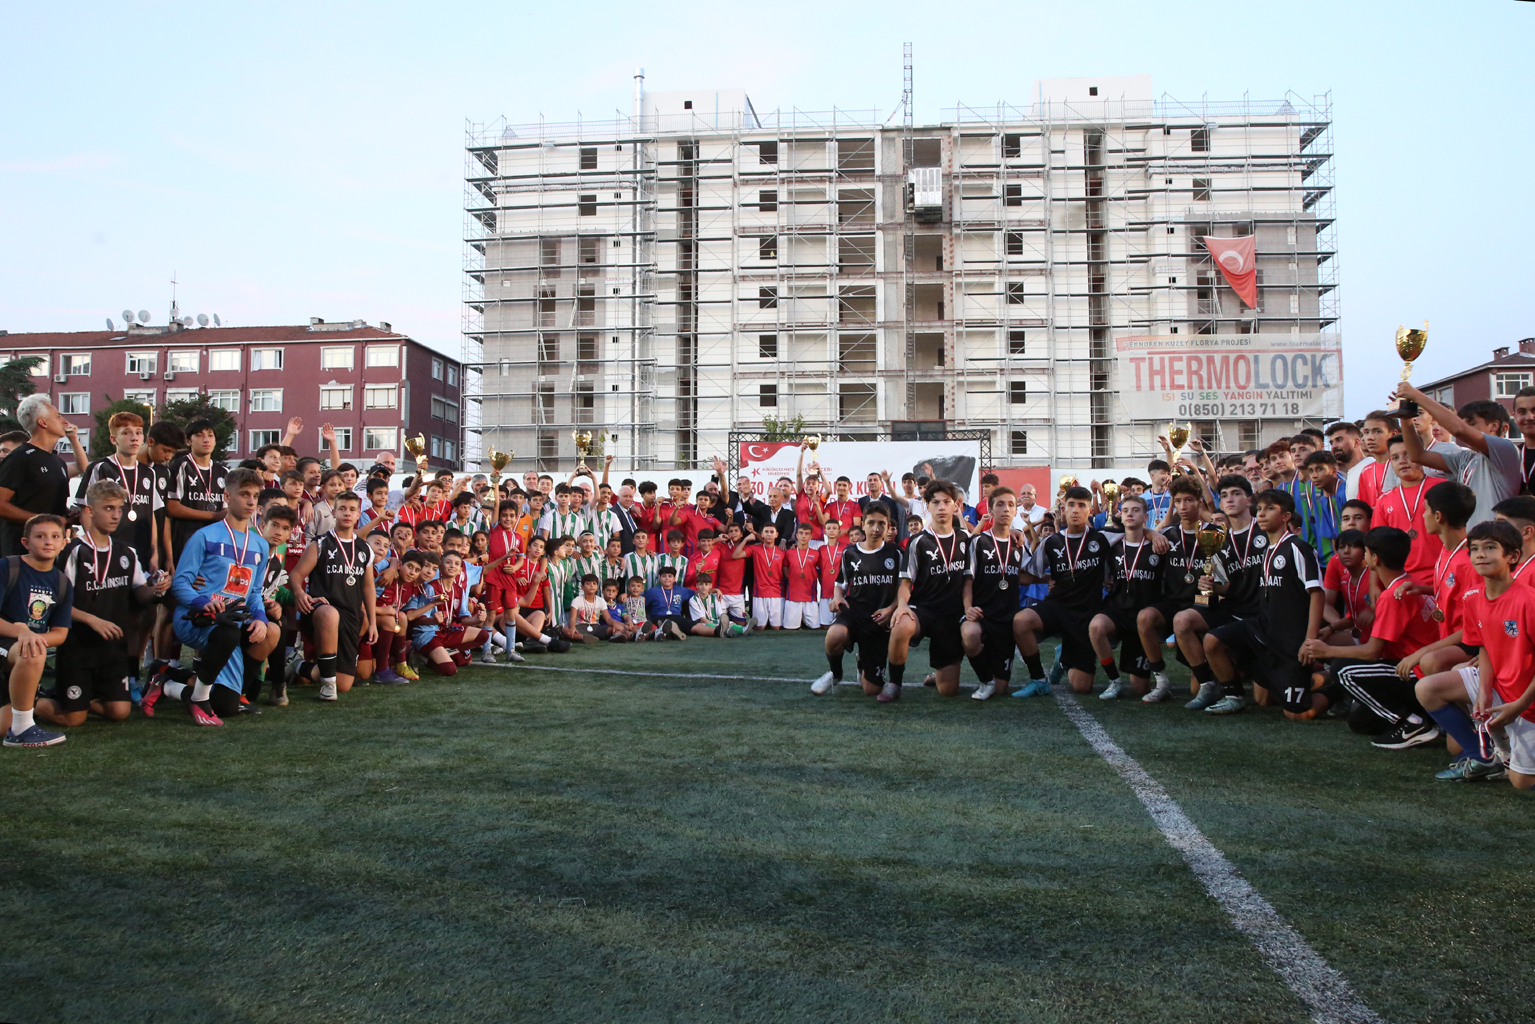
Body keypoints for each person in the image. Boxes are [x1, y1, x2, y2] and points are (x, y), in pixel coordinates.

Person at [144, 469, 280, 727]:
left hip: (232, 623)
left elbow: (254, 592)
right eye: (244, 495)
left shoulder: (260, 545)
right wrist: (203, 603)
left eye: (255, 496)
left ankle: (166, 681)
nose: (252, 501)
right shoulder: (205, 536)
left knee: (226, 704)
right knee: (226, 632)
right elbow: (181, 583)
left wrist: (260, 617)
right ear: (227, 497)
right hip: (197, 620)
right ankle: (193, 690)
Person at [36, 481, 168, 728]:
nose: (116, 515)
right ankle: (31, 700)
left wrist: (157, 589)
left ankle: (76, 698)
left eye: (119, 508)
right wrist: (92, 619)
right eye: (108, 508)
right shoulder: (74, 551)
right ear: (90, 511)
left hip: (112, 649)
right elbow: (57, 604)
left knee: (120, 712)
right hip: (78, 647)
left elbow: (141, 594)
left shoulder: (126, 552)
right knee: (73, 719)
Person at [1416, 520, 1535, 787]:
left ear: (1512, 556)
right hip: (1499, 686)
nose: (1480, 554)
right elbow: (1485, 647)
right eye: (1474, 548)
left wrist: (1518, 707)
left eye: (1490, 547)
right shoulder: (1472, 597)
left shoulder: (1529, 601)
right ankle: (1483, 756)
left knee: (1521, 783)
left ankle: (1511, 752)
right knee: (1427, 688)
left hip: (1527, 700)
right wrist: (1483, 690)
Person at [1302, 526, 1438, 742]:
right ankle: (1423, 715)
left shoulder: (1392, 595)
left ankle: (1412, 723)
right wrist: (1333, 629)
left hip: (1412, 671)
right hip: (1417, 667)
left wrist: (1327, 650)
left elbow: (1373, 652)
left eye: (1363, 551)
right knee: (1361, 723)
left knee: (1343, 668)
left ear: (1374, 558)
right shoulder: (1413, 582)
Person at [1201, 488, 1323, 717]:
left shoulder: (1297, 547)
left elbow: (1317, 593)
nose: (1262, 514)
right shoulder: (1268, 550)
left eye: (1270, 509)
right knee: (1213, 641)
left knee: (1297, 714)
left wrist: (1310, 640)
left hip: (1291, 639)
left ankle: (1331, 684)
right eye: (1260, 509)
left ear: (1286, 516)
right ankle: (1233, 697)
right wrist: (1212, 586)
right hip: (1264, 629)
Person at [1013, 485, 1115, 698]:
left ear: (1090, 511)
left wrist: (1152, 533)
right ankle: (1039, 679)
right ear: (1063, 509)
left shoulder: (1103, 537)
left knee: (1082, 687)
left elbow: (1136, 532)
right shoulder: (1052, 541)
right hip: (1058, 606)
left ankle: (1062, 658)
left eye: (1081, 506)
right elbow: (1032, 571)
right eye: (1071, 505)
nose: (1076, 510)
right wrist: (1015, 542)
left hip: (1086, 614)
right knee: (1021, 620)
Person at [1171, 475, 1263, 707]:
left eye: (1236, 494)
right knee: (1182, 620)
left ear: (1249, 499)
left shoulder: (1265, 531)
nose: (1229, 499)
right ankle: (1209, 686)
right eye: (1223, 496)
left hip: (1264, 614)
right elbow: (1225, 586)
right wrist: (1210, 586)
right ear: (1218, 504)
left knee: (1265, 700)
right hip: (1232, 609)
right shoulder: (1218, 540)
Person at [885, 480, 971, 702]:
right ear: (927, 507)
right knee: (901, 623)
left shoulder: (966, 539)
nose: (941, 507)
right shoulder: (917, 542)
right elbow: (905, 582)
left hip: (952, 616)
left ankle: (939, 676)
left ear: (956, 505)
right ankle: (894, 683)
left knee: (949, 691)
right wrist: (902, 606)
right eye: (935, 502)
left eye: (946, 502)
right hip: (924, 610)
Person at [288, 491, 378, 700]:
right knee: (330, 614)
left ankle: (299, 666)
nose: (347, 513)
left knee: (345, 684)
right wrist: (300, 592)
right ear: (334, 513)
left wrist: (372, 622)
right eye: (342, 509)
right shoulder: (320, 544)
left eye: (352, 510)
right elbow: (295, 576)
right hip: (321, 610)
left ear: (358, 515)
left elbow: (368, 588)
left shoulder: (365, 549)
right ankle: (327, 686)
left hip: (350, 614)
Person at [1396, 386, 1523, 527]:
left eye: (1471, 423)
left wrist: (1416, 396)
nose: (1466, 427)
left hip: (1497, 539)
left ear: (1494, 426)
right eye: (1464, 423)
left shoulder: (1505, 449)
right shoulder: (1466, 457)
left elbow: (1459, 430)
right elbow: (1418, 455)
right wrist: (1406, 418)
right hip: (1472, 538)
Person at [812, 503, 900, 695]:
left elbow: (903, 589)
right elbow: (840, 584)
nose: (876, 529)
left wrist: (891, 609)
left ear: (888, 526)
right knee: (834, 635)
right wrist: (837, 598)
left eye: (881, 524)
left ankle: (863, 663)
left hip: (879, 619)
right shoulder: (850, 552)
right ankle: (835, 674)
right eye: (871, 523)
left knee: (872, 690)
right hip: (855, 610)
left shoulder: (896, 553)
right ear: (864, 525)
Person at [0, 514, 72, 747]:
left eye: (55, 537)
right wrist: (20, 632)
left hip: (21, 651)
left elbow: (60, 634)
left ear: (64, 542)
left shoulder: (62, 582)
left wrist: (32, 637)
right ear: (25, 543)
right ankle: (22, 730)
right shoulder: (8, 566)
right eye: (40, 536)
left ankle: (21, 716)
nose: (48, 542)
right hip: (6, 643)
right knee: (32, 650)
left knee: (3, 725)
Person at [1135, 476, 1206, 699]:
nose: (1183, 507)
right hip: (1174, 602)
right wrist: (1153, 532)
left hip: (1203, 603)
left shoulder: (1213, 534)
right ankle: (1162, 682)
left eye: (1189, 500)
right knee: (1145, 617)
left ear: (1199, 502)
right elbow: (1138, 532)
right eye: (1178, 501)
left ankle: (1207, 680)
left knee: (1197, 689)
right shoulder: (1168, 534)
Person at [1089, 494, 1157, 701]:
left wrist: (1154, 533)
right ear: (1120, 514)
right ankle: (1114, 680)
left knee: (1140, 689)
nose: (1130, 514)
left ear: (1145, 516)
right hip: (1116, 609)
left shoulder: (1158, 545)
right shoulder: (1111, 541)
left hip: (1143, 613)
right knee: (1096, 627)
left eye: (1136, 510)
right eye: (1126, 510)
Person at [962, 487, 1025, 701]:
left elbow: (1021, 575)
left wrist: (1047, 580)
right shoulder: (978, 542)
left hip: (1007, 618)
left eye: (1010, 505)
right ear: (990, 510)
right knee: (970, 634)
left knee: (1001, 690)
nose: (1005, 509)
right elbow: (968, 580)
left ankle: (992, 679)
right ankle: (984, 680)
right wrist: (968, 608)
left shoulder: (1019, 544)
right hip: (982, 614)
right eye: (1000, 504)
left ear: (1016, 511)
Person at [0, 396, 74, 558]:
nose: (64, 420)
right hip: (19, 553)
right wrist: (45, 521)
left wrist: (69, 516)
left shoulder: (58, 462)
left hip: (51, 552)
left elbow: (44, 503)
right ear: (43, 423)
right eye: (58, 416)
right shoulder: (19, 458)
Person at [1374, 434, 1445, 584]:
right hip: (1402, 580)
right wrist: (1374, 584)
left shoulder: (1443, 488)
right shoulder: (1384, 501)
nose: (1402, 461)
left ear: (1420, 454)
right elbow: (1377, 546)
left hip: (1443, 574)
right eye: (1395, 458)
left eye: (1407, 455)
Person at [165, 418, 227, 569]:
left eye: (210, 435)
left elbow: (226, 509)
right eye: (199, 435)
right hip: (185, 540)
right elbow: (172, 507)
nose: (206, 440)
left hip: (214, 543)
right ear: (188, 441)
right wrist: (212, 515)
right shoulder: (180, 466)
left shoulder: (223, 472)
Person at [739, 523, 785, 629]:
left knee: (776, 627)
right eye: (767, 532)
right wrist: (745, 540)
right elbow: (736, 555)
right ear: (762, 534)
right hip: (759, 593)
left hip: (777, 593)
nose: (769, 534)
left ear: (776, 535)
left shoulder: (782, 551)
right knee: (760, 627)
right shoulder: (755, 549)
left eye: (772, 532)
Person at [783, 523, 821, 629]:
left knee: (815, 626)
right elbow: (785, 567)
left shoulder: (816, 553)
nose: (803, 536)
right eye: (801, 533)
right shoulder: (789, 552)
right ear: (796, 535)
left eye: (806, 534)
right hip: (793, 596)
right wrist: (789, 577)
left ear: (811, 536)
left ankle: (803, 622)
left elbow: (820, 570)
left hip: (810, 596)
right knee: (789, 628)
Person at [641, 565, 691, 641]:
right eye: (664, 576)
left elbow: (699, 593)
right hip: (658, 617)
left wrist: (715, 590)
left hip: (677, 617)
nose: (667, 578)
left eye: (670, 576)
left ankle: (715, 631)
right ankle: (672, 630)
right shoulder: (653, 591)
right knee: (662, 622)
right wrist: (627, 595)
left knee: (693, 625)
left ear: (674, 579)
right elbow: (640, 599)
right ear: (660, 578)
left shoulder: (681, 590)